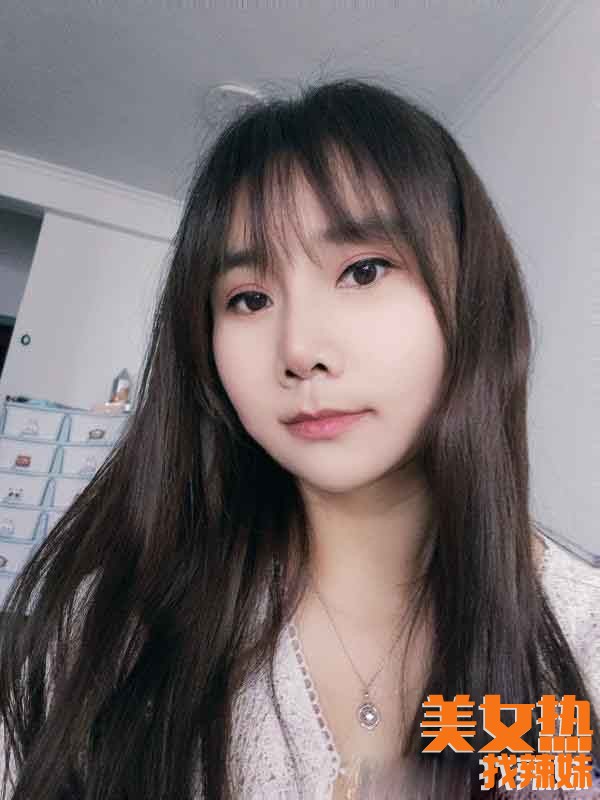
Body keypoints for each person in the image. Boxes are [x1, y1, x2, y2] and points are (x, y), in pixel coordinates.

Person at [0, 78, 598, 800]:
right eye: (249, 298)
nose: (299, 350)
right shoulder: (110, 626)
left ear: (471, 294)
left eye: (364, 271)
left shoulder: (583, 638)